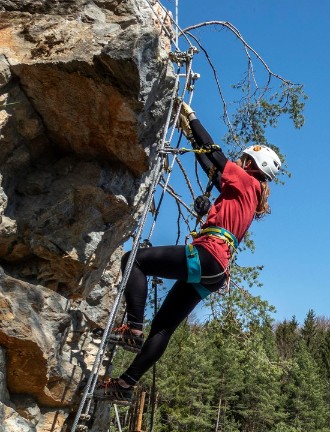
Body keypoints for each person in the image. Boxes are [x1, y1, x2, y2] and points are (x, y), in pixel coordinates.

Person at [94, 102, 282, 402]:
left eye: (244, 158)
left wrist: (192, 118)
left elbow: (215, 155)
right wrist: (190, 136)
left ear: (251, 164)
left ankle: (133, 327)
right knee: (165, 327)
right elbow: (211, 168)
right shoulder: (246, 192)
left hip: (209, 255)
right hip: (215, 271)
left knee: (135, 261)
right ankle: (125, 386)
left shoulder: (247, 181)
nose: (239, 160)